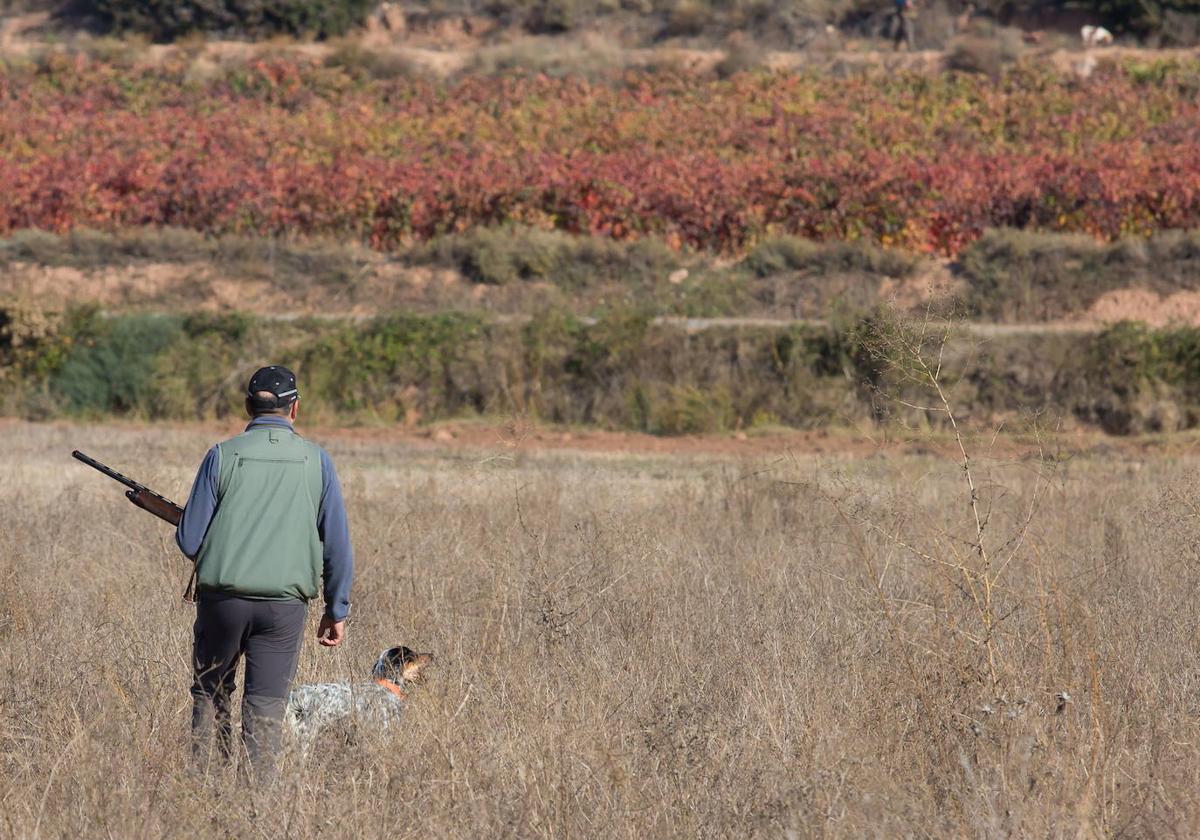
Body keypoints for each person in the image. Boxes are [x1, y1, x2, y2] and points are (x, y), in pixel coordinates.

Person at [176, 365, 354, 779]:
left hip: (223, 603)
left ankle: (205, 796)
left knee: (210, 695)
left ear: (247, 407)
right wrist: (336, 607)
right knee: (266, 707)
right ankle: (257, 807)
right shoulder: (317, 460)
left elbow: (189, 540)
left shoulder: (221, 455)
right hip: (284, 608)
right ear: (295, 409)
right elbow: (338, 541)